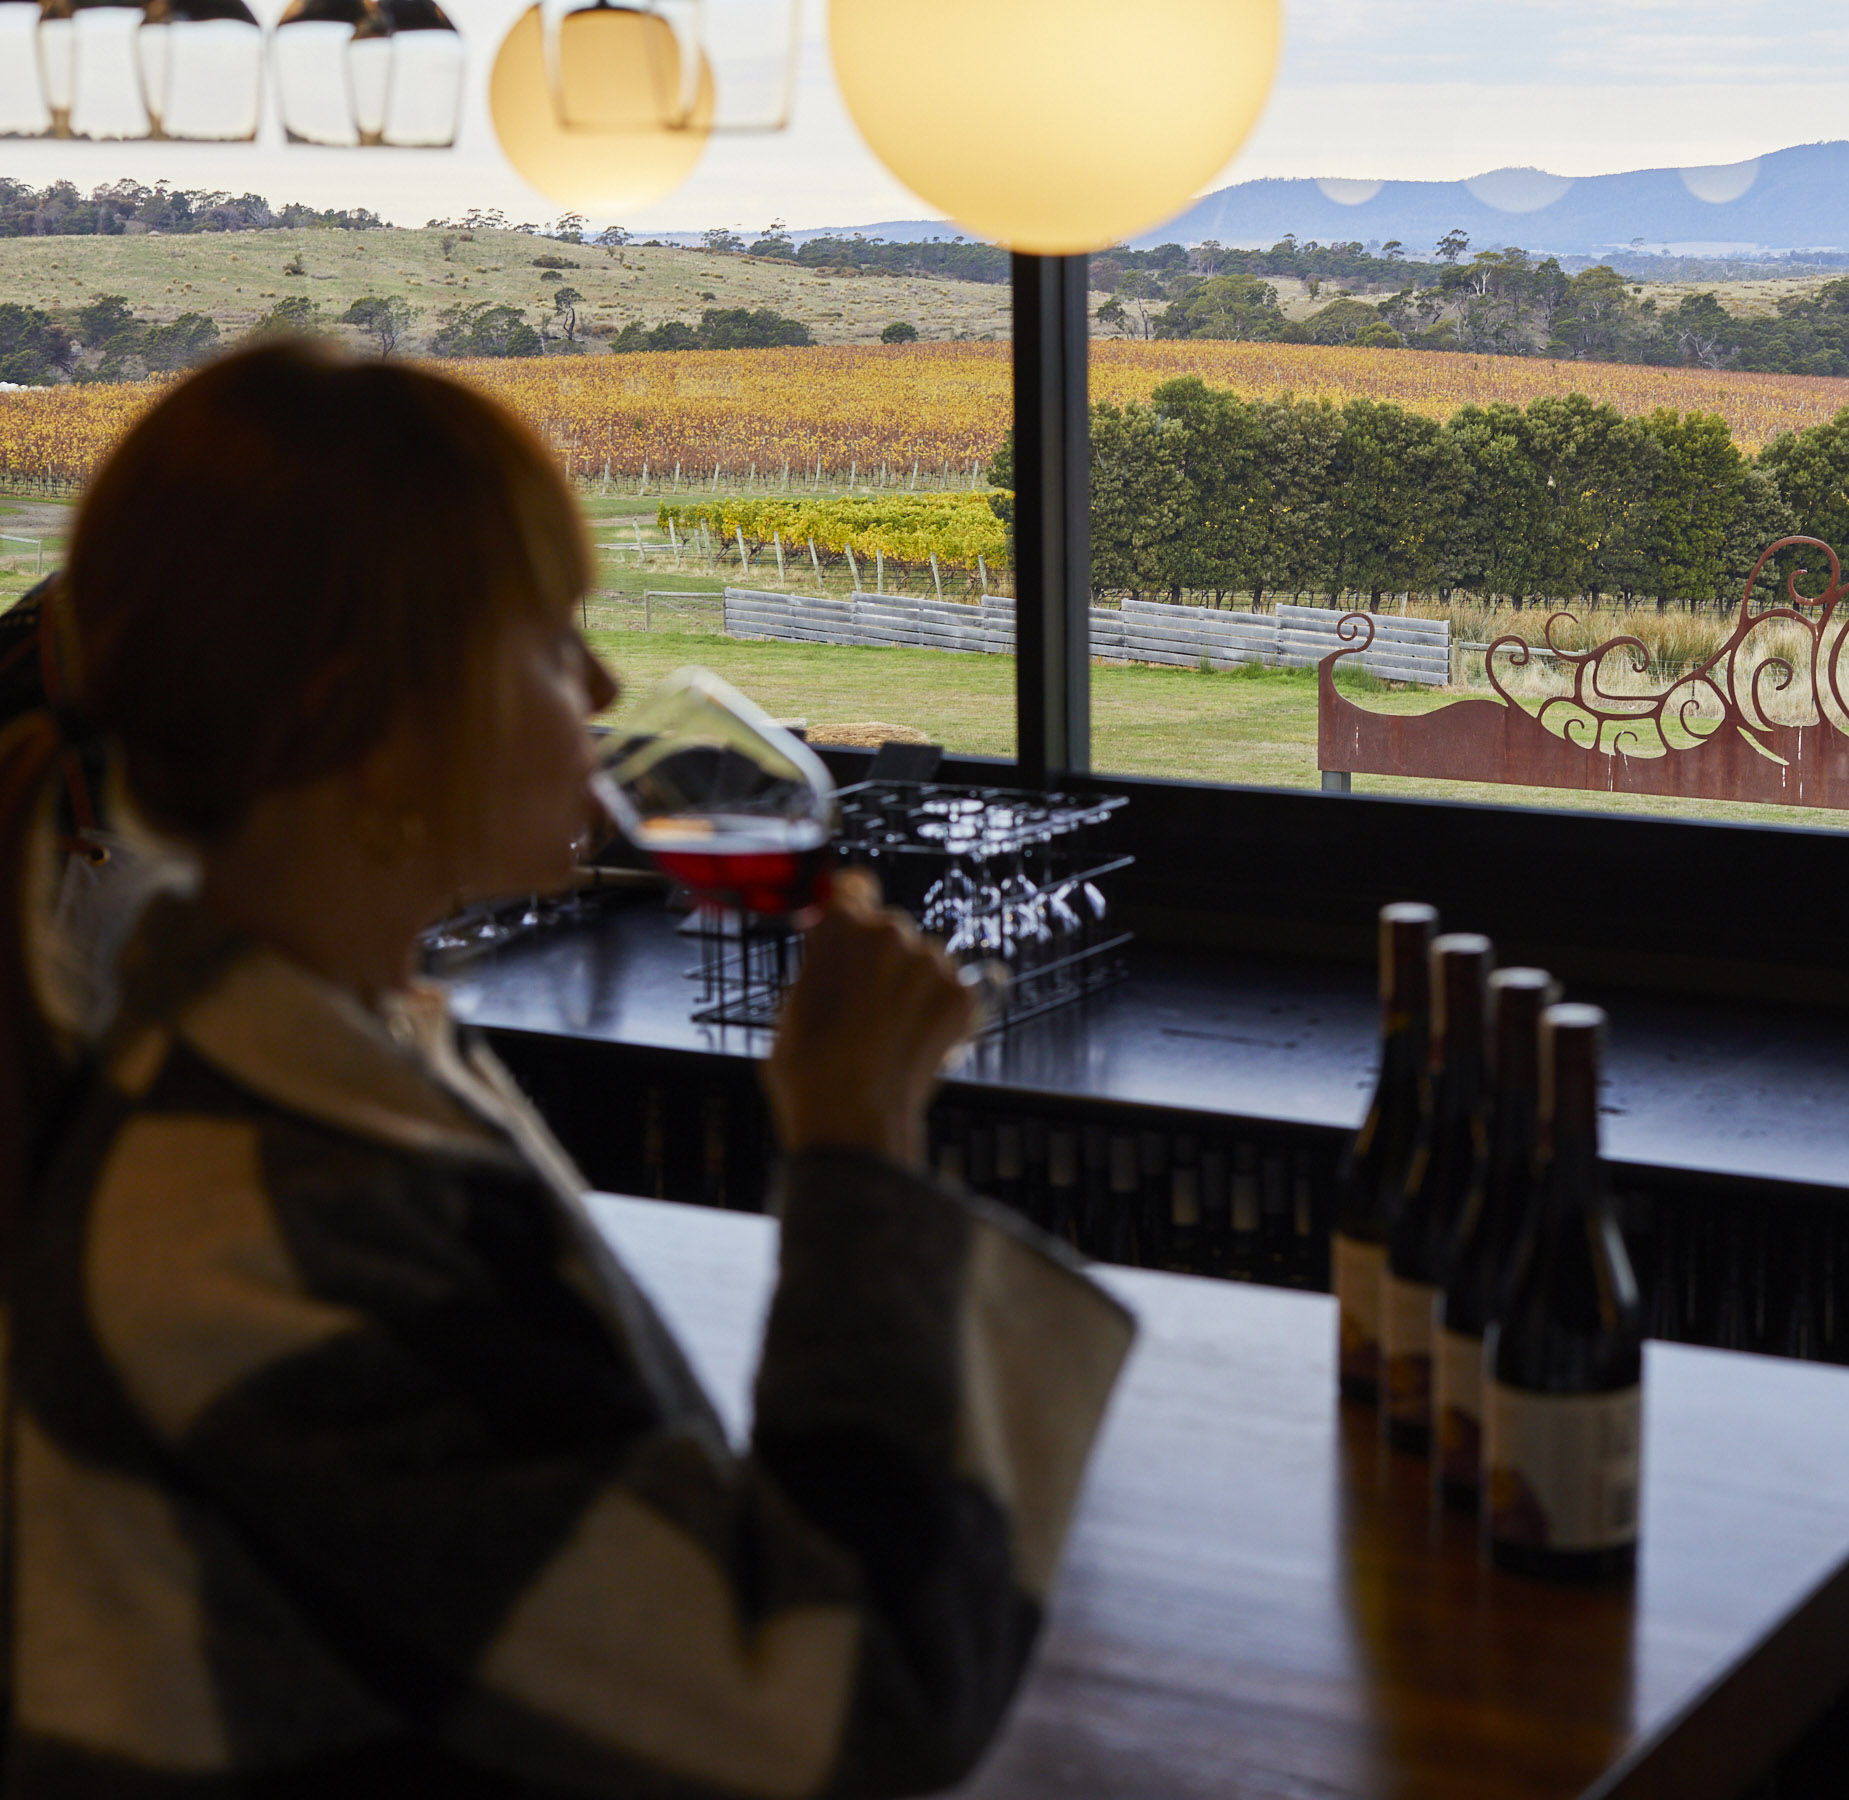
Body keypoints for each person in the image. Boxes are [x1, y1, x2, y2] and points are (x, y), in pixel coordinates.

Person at [0, 341, 1132, 1796]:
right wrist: (856, 1149)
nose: (601, 684)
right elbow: (839, 1707)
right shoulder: (254, 1233)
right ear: (365, 730)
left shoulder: (316, 1052)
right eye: (547, 639)